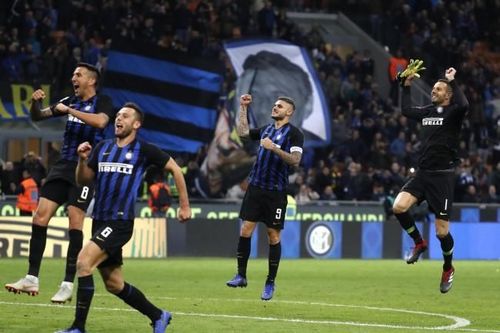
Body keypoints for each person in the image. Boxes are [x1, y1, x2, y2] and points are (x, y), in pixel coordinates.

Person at [56, 102, 191, 333]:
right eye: (118, 115)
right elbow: (83, 180)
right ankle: (159, 315)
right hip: (99, 220)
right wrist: (81, 159)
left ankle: (78, 327)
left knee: (83, 262)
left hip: (120, 222)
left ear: (136, 124)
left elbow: (175, 170)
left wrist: (184, 206)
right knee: (114, 284)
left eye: (125, 116)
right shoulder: (102, 148)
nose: (119, 119)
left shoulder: (144, 150)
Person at [5, 63, 114, 304]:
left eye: (78, 75)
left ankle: (66, 284)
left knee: (75, 222)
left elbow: (101, 123)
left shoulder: (103, 102)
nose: (73, 77)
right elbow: (38, 116)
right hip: (62, 165)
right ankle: (31, 278)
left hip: (85, 167)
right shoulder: (68, 100)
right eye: (73, 74)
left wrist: (70, 111)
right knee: (39, 217)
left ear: (91, 81)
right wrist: (34, 103)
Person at [392, 67, 469, 293]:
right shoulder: (428, 112)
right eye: (433, 88)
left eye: (438, 89)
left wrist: (453, 81)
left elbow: (465, 105)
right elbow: (406, 109)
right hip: (423, 174)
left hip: (442, 178)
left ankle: (447, 268)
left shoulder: (454, 112)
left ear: (449, 95)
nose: (433, 91)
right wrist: (405, 84)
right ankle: (418, 242)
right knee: (398, 207)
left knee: (442, 232)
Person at [226, 94, 304, 301]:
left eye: (279, 106)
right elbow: (242, 132)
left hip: (276, 193)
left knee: (273, 236)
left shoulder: (295, 134)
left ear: (289, 112)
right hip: (256, 188)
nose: (275, 107)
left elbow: (295, 160)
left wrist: (274, 148)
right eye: (275, 104)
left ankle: (270, 282)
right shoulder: (265, 130)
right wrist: (243, 107)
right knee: (245, 230)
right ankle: (241, 275)